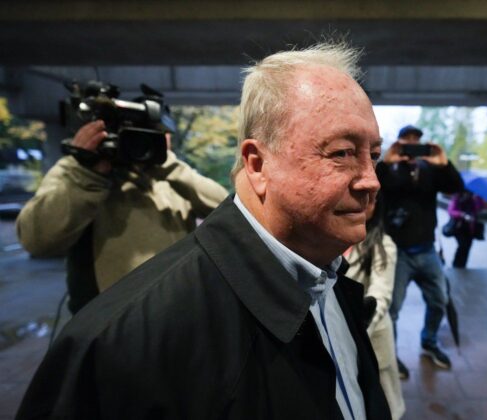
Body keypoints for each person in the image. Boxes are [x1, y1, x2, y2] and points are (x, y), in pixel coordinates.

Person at [16, 42, 391, 420]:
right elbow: (38, 236)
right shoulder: (115, 346)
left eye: (373, 155)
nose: (370, 181)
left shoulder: (331, 282)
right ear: (257, 165)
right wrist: (81, 169)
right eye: (341, 152)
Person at [15, 119, 229, 313]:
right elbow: (36, 239)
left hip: (181, 310)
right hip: (111, 324)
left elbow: (227, 211)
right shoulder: (77, 171)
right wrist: (87, 172)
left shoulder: (167, 174)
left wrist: (167, 164)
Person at [376, 125, 464, 377]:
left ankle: (429, 341)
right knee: (392, 309)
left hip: (427, 250)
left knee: (439, 301)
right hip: (398, 252)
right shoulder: (391, 171)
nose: (412, 145)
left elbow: (456, 187)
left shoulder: (431, 170)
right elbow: (373, 189)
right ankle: (391, 354)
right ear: (399, 142)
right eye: (407, 140)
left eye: (417, 141)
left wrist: (443, 163)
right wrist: (386, 161)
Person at [345, 193, 405, 419]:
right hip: (345, 334)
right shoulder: (334, 238)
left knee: (385, 403)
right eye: (358, 196)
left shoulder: (383, 244)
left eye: (371, 199)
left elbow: (381, 294)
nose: (363, 203)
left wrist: (358, 328)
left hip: (372, 334)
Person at [447, 189, 485, 269]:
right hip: (459, 227)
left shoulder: (473, 199)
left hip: (470, 227)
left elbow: (479, 208)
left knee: (467, 246)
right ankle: (457, 264)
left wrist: (478, 197)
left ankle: (462, 264)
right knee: (462, 245)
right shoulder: (457, 198)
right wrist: (462, 214)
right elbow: (451, 211)